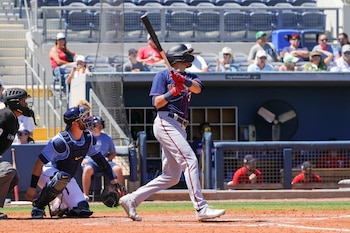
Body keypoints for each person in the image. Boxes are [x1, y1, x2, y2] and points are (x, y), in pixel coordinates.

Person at [119, 44, 225, 222]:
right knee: (190, 160)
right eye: (186, 55)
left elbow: (198, 88)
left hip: (180, 126)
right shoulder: (162, 75)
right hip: (166, 121)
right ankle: (201, 208)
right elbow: (157, 103)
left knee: (171, 176)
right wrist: (172, 91)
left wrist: (182, 81)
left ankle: (132, 199)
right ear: (179, 58)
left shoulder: (190, 76)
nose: (189, 57)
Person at [24, 106, 120, 218]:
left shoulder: (88, 138)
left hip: (67, 178)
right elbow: (39, 163)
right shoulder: (60, 141)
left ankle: (61, 206)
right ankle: (38, 206)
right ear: (74, 123)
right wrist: (32, 187)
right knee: (61, 177)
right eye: (83, 118)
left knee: (82, 208)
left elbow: (100, 160)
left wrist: (113, 180)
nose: (88, 119)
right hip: (47, 174)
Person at [0, 88, 35, 219]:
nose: (25, 104)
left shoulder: (11, 117)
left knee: (12, 176)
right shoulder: (6, 116)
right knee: (7, 171)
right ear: (15, 103)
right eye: (23, 101)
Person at [81, 116, 124, 200]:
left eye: (101, 124)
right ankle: (85, 195)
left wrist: (109, 158)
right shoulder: (86, 137)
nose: (99, 126)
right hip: (91, 161)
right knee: (87, 170)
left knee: (118, 169)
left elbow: (113, 152)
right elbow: (80, 150)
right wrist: (82, 159)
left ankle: (119, 194)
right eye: (97, 124)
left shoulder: (107, 137)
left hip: (104, 161)